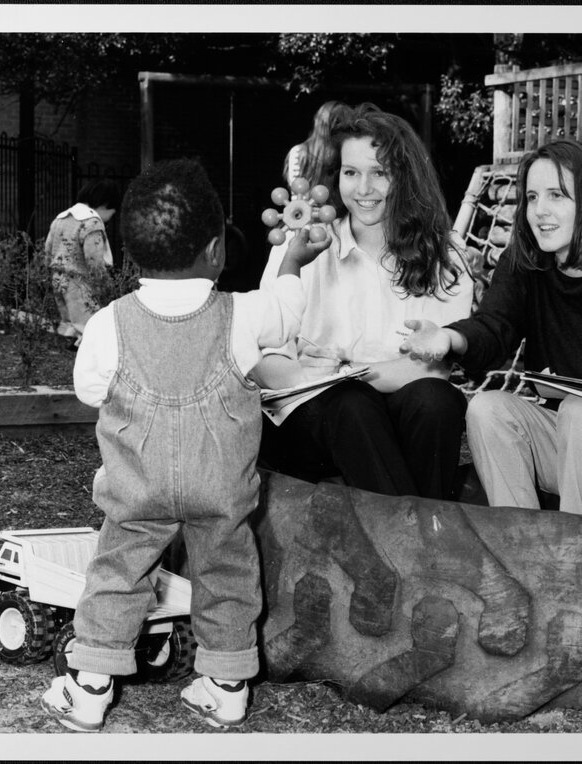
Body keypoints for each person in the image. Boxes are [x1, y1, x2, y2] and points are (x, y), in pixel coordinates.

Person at [39, 159, 330, 732]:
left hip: (136, 487)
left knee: (118, 571)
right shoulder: (242, 314)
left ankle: (91, 686)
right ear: (217, 250)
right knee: (227, 572)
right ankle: (225, 686)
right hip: (220, 487)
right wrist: (293, 260)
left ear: (130, 253)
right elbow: (289, 309)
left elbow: (88, 389)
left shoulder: (108, 324)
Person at [400, 139, 582, 515]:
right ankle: (519, 538)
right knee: (488, 408)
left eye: (556, 196)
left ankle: (575, 549)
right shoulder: (526, 267)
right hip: (570, 439)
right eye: (531, 197)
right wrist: (448, 336)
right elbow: (495, 327)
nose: (539, 211)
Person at [254, 103, 474, 500]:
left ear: (405, 176)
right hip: (312, 421)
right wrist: (322, 381)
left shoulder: (445, 254)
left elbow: (433, 370)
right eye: (351, 172)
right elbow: (264, 358)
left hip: (394, 412)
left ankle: (412, 533)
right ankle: (420, 540)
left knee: (437, 401)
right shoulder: (300, 245)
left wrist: (347, 369)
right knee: (350, 404)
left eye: (380, 173)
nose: (363, 189)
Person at [43, 178, 123, 346]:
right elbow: (94, 261)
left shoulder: (60, 219)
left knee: (70, 320)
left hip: (58, 278)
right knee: (88, 321)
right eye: (112, 212)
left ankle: (71, 345)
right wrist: (105, 285)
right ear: (105, 204)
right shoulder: (92, 223)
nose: (110, 218)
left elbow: (48, 250)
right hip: (79, 283)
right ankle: (85, 354)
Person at [282, 100, 351, 188]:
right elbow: (299, 195)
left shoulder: (343, 156)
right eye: (322, 120)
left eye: (337, 122)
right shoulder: (300, 153)